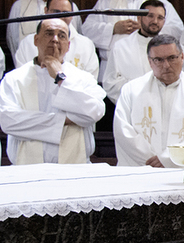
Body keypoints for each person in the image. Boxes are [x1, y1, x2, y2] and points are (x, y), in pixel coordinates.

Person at [0, 18, 106, 164]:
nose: (55, 39)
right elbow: (8, 121)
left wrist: (60, 77)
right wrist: (64, 121)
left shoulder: (83, 78)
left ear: (68, 45)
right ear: (36, 40)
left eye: (61, 35)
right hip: (27, 167)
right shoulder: (14, 79)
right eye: (49, 34)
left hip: (74, 167)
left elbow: (95, 112)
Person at [113, 33, 184, 167]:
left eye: (171, 58)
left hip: (180, 173)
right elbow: (123, 131)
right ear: (150, 62)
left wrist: (168, 159)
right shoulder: (131, 90)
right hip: (139, 170)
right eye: (159, 60)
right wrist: (151, 161)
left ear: (182, 57)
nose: (166, 65)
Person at [81, 0, 183, 79]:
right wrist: (113, 29)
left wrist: (148, 28)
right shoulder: (106, 3)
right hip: (114, 69)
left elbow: (177, 31)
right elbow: (87, 31)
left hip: (153, 68)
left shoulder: (163, 5)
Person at [14, 0, 99, 80]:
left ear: (72, 15)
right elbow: (21, 77)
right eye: (56, 12)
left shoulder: (86, 45)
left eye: (65, 13)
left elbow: (90, 83)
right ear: (46, 11)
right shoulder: (27, 43)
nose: (61, 17)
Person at [102, 0, 167, 104]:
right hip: (132, 107)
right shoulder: (121, 47)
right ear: (139, 18)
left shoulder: (172, 48)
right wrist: (140, 94)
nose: (155, 21)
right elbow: (110, 84)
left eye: (160, 18)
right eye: (150, 16)